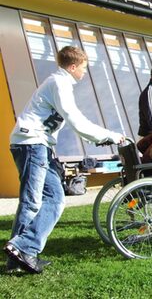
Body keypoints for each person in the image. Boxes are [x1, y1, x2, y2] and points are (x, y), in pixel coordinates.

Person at [4, 46, 124, 274]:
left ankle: (21, 254)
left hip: (38, 145)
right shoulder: (60, 83)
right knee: (32, 201)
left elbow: (74, 119)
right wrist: (110, 136)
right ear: (73, 67)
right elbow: (75, 120)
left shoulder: (60, 83)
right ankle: (21, 251)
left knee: (56, 199)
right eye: (84, 68)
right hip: (32, 143)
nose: (85, 73)